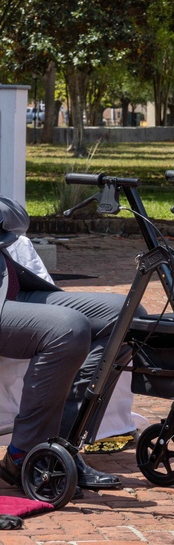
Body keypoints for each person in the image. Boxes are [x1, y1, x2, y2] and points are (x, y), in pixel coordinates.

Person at [0, 196, 134, 494]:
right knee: (67, 328)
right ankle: (25, 453)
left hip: (11, 288)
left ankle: (62, 445)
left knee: (127, 314)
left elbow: (16, 218)